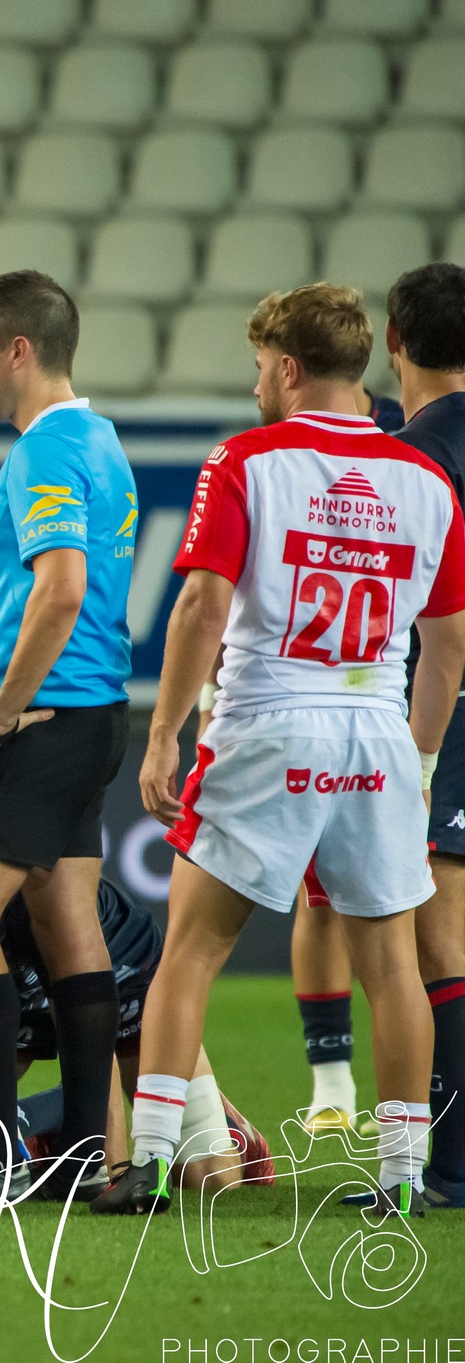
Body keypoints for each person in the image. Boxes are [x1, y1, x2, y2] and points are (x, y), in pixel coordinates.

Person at [101, 284, 465, 1219]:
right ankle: (404, 1175)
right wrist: (418, 763)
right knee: (392, 963)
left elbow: (200, 605)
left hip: (267, 722)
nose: (257, 383)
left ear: (289, 369)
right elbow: (453, 643)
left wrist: (164, 730)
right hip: (378, 731)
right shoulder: (425, 481)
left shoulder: (249, 460)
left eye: (261, 367)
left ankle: (145, 1164)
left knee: (189, 949)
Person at [0, 270, 139, 1204]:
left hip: (43, 717)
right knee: (66, 921)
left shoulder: (46, 451)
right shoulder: (101, 440)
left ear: (19, 350)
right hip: (97, 716)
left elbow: (59, 587)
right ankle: (92, 1152)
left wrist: (2, 711)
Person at [0, 753, 270, 1196]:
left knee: (210, 1181)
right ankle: (45, 1131)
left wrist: (109, 1171)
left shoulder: (40, 894)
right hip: (13, 1012)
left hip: (122, 998)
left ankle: (228, 1123)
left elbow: (95, 1049)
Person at [385, 261, 465, 1206]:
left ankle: (449, 1165)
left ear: (395, 342)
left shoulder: (419, 458)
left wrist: (422, 750)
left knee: (439, 940)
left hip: (447, 708)